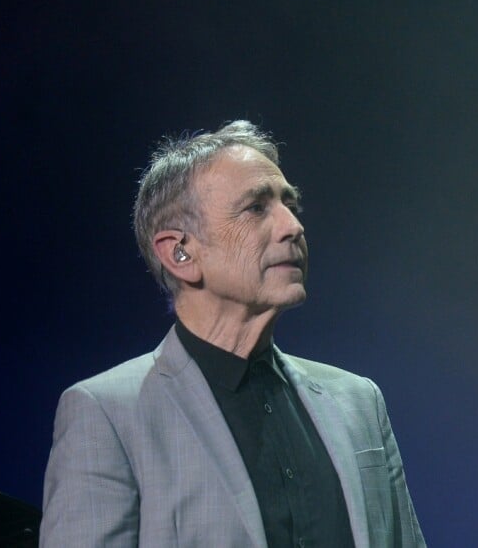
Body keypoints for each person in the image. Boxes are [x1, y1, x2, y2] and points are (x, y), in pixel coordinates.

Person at [40, 120, 426, 547]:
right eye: (257, 208)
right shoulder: (108, 415)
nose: (292, 226)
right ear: (180, 253)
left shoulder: (359, 401)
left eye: (290, 205)